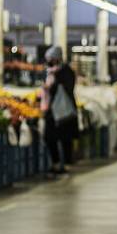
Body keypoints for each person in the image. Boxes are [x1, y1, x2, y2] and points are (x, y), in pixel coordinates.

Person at [41, 46, 78, 175]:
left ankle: (67, 164)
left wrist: (52, 87)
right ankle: (55, 163)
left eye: (51, 59)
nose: (49, 62)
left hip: (64, 111)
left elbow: (66, 89)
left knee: (65, 138)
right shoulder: (49, 72)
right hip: (52, 111)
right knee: (50, 137)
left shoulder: (66, 72)